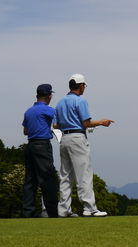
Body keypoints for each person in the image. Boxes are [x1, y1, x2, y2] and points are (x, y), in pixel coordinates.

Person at [54, 74, 114, 217]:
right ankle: (89, 208)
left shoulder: (60, 102)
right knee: (84, 174)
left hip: (64, 138)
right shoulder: (80, 101)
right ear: (80, 86)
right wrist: (101, 122)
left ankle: (63, 210)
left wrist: (68, 122)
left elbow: (55, 124)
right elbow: (86, 123)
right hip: (77, 138)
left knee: (65, 176)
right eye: (84, 86)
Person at [22, 84, 59, 218]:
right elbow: (57, 124)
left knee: (30, 180)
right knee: (49, 179)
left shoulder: (28, 111)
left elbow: (25, 131)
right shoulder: (49, 110)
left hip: (30, 146)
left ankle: (28, 212)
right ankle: (52, 212)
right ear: (49, 96)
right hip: (42, 146)